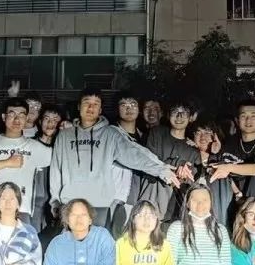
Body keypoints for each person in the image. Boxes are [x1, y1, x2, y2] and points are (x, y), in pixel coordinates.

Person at [49, 88, 178, 228]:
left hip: (99, 205)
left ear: (100, 110)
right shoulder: (64, 135)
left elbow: (134, 154)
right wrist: (54, 199)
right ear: (79, 106)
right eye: (86, 103)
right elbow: (56, 169)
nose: (91, 108)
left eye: (96, 104)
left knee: (100, 241)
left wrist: (162, 169)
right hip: (70, 205)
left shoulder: (110, 134)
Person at [0, 99, 51, 224]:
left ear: (26, 118)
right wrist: (7, 162)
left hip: (21, 209)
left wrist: (68, 129)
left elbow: (60, 156)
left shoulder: (34, 146)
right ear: (4, 117)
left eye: (21, 115)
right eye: (12, 114)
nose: (17, 119)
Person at [133, 99, 198, 223]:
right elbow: (151, 161)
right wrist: (178, 165)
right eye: (175, 112)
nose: (179, 116)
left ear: (190, 117)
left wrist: (185, 174)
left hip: (173, 208)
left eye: (184, 113)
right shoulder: (156, 133)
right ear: (168, 115)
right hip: (151, 199)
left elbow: (191, 178)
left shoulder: (193, 150)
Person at [29, 105, 63, 234]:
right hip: (33, 202)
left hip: (55, 202)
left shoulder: (62, 147)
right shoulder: (29, 144)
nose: (50, 123)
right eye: (47, 119)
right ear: (40, 121)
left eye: (55, 120)